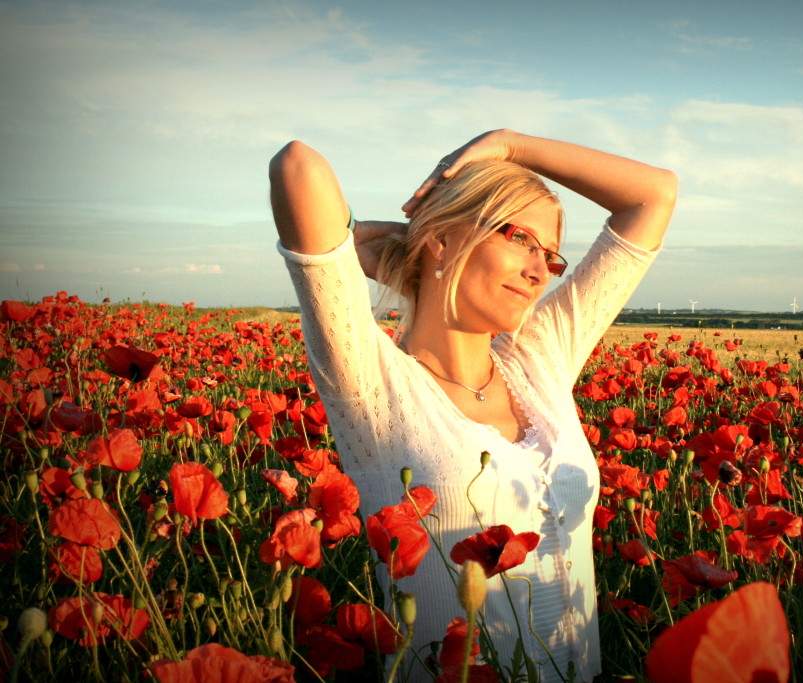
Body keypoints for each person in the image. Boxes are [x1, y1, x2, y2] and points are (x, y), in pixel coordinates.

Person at [270, 129, 676, 681]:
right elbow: (298, 167)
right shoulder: (373, 387)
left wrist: (510, 145)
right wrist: (399, 239)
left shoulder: (541, 359)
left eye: (549, 255)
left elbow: (653, 195)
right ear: (443, 238)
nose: (539, 271)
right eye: (519, 238)